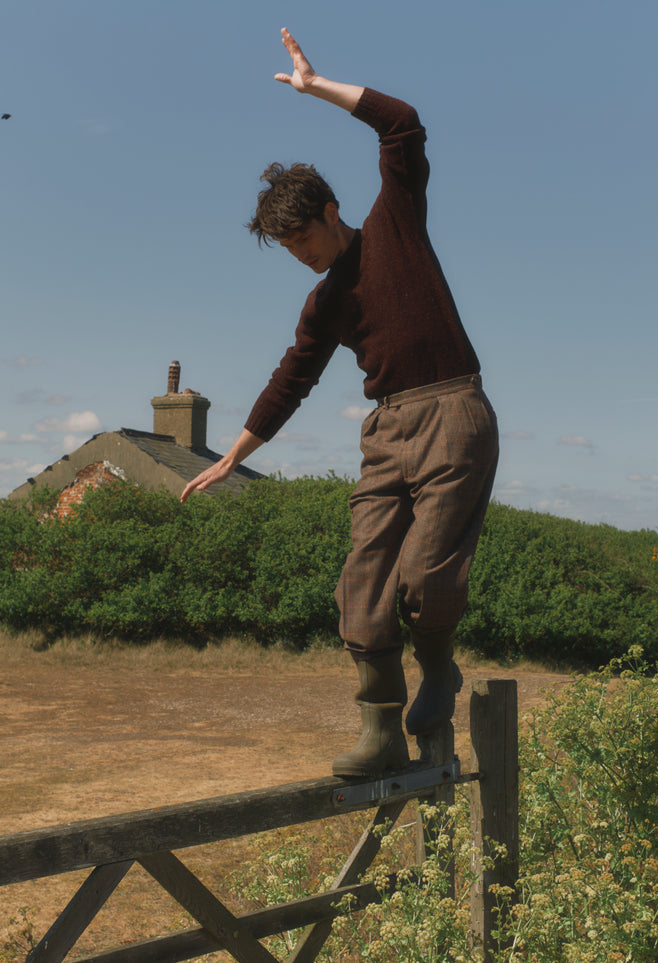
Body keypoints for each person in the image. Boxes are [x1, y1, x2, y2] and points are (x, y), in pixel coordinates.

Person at [181, 28, 499, 779]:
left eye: (303, 239)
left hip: (452, 412)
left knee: (424, 582)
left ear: (330, 211)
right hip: (386, 429)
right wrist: (232, 454)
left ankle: (439, 670)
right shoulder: (322, 304)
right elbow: (292, 376)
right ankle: (380, 730)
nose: (301, 256)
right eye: (286, 249)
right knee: (361, 587)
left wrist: (315, 86)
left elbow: (403, 122)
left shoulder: (395, 221)